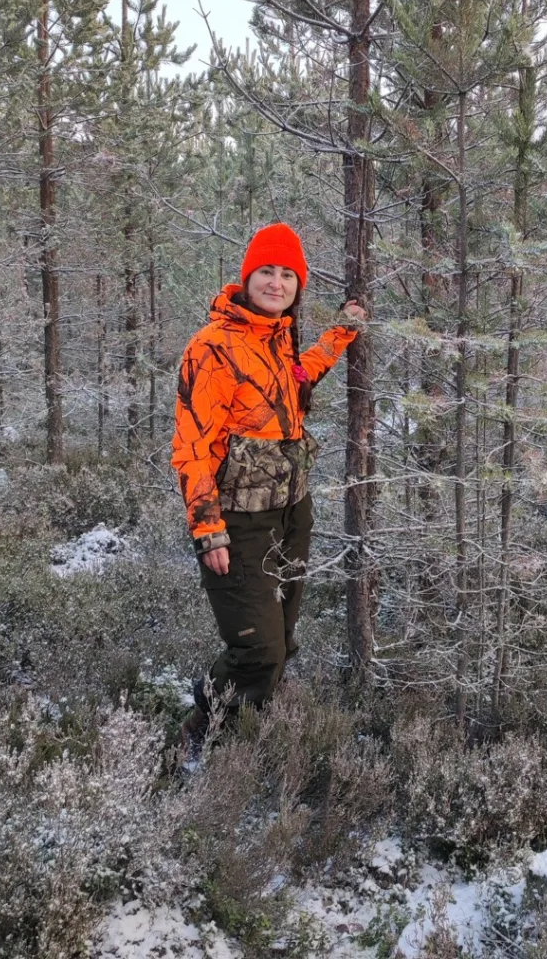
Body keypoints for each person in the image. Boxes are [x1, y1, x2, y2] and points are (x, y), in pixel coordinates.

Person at [172, 222, 365, 757]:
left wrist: (342, 333)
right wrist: (208, 529)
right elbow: (192, 444)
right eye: (267, 272)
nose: (276, 283)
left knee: (282, 637)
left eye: (288, 274)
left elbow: (299, 378)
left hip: (292, 513)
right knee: (258, 651)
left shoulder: (280, 338)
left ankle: (250, 738)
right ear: (247, 277)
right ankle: (198, 738)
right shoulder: (211, 347)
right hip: (238, 520)